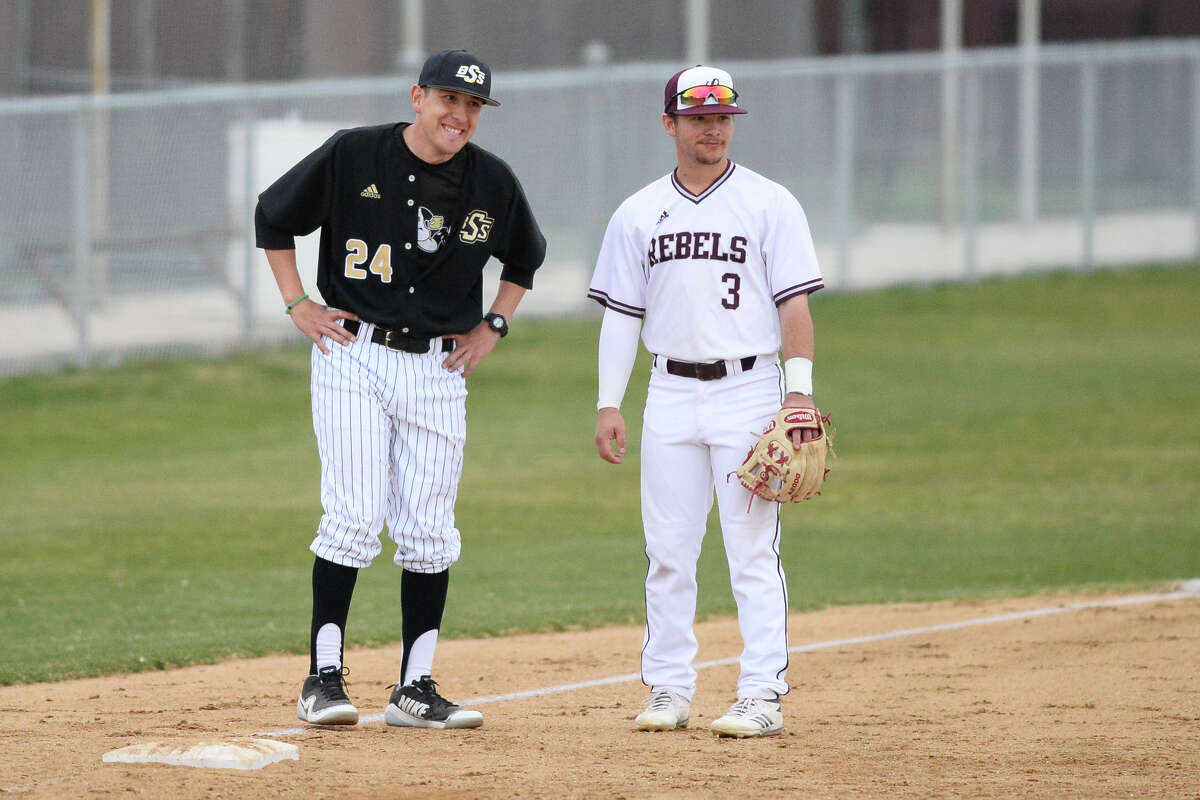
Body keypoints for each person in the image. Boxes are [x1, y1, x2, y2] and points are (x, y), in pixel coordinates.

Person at [255, 49, 546, 729]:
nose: (461, 115)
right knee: (354, 516)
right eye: (449, 99)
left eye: (474, 105)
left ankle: (415, 690)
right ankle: (322, 679)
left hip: (440, 369)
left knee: (429, 529)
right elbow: (274, 217)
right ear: (417, 97)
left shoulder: (492, 182)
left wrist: (493, 326)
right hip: (354, 353)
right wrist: (298, 303)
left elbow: (525, 257)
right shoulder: (354, 154)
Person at [588, 65, 824, 738]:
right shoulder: (637, 213)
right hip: (667, 391)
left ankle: (760, 694)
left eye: (722, 117)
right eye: (698, 117)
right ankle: (668, 688)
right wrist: (611, 402)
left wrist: (799, 394)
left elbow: (795, 305)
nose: (713, 128)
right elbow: (620, 316)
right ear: (670, 124)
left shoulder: (770, 203)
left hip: (750, 389)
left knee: (750, 550)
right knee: (667, 550)